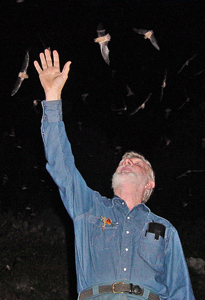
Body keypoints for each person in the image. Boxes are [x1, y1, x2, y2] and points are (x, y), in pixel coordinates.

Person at [34, 49, 195, 300]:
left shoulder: (165, 230)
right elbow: (61, 166)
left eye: (137, 162)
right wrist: (52, 96)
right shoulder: (89, 208)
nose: (127, 161)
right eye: (123, 160)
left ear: (150, 183)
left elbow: (181, 292)